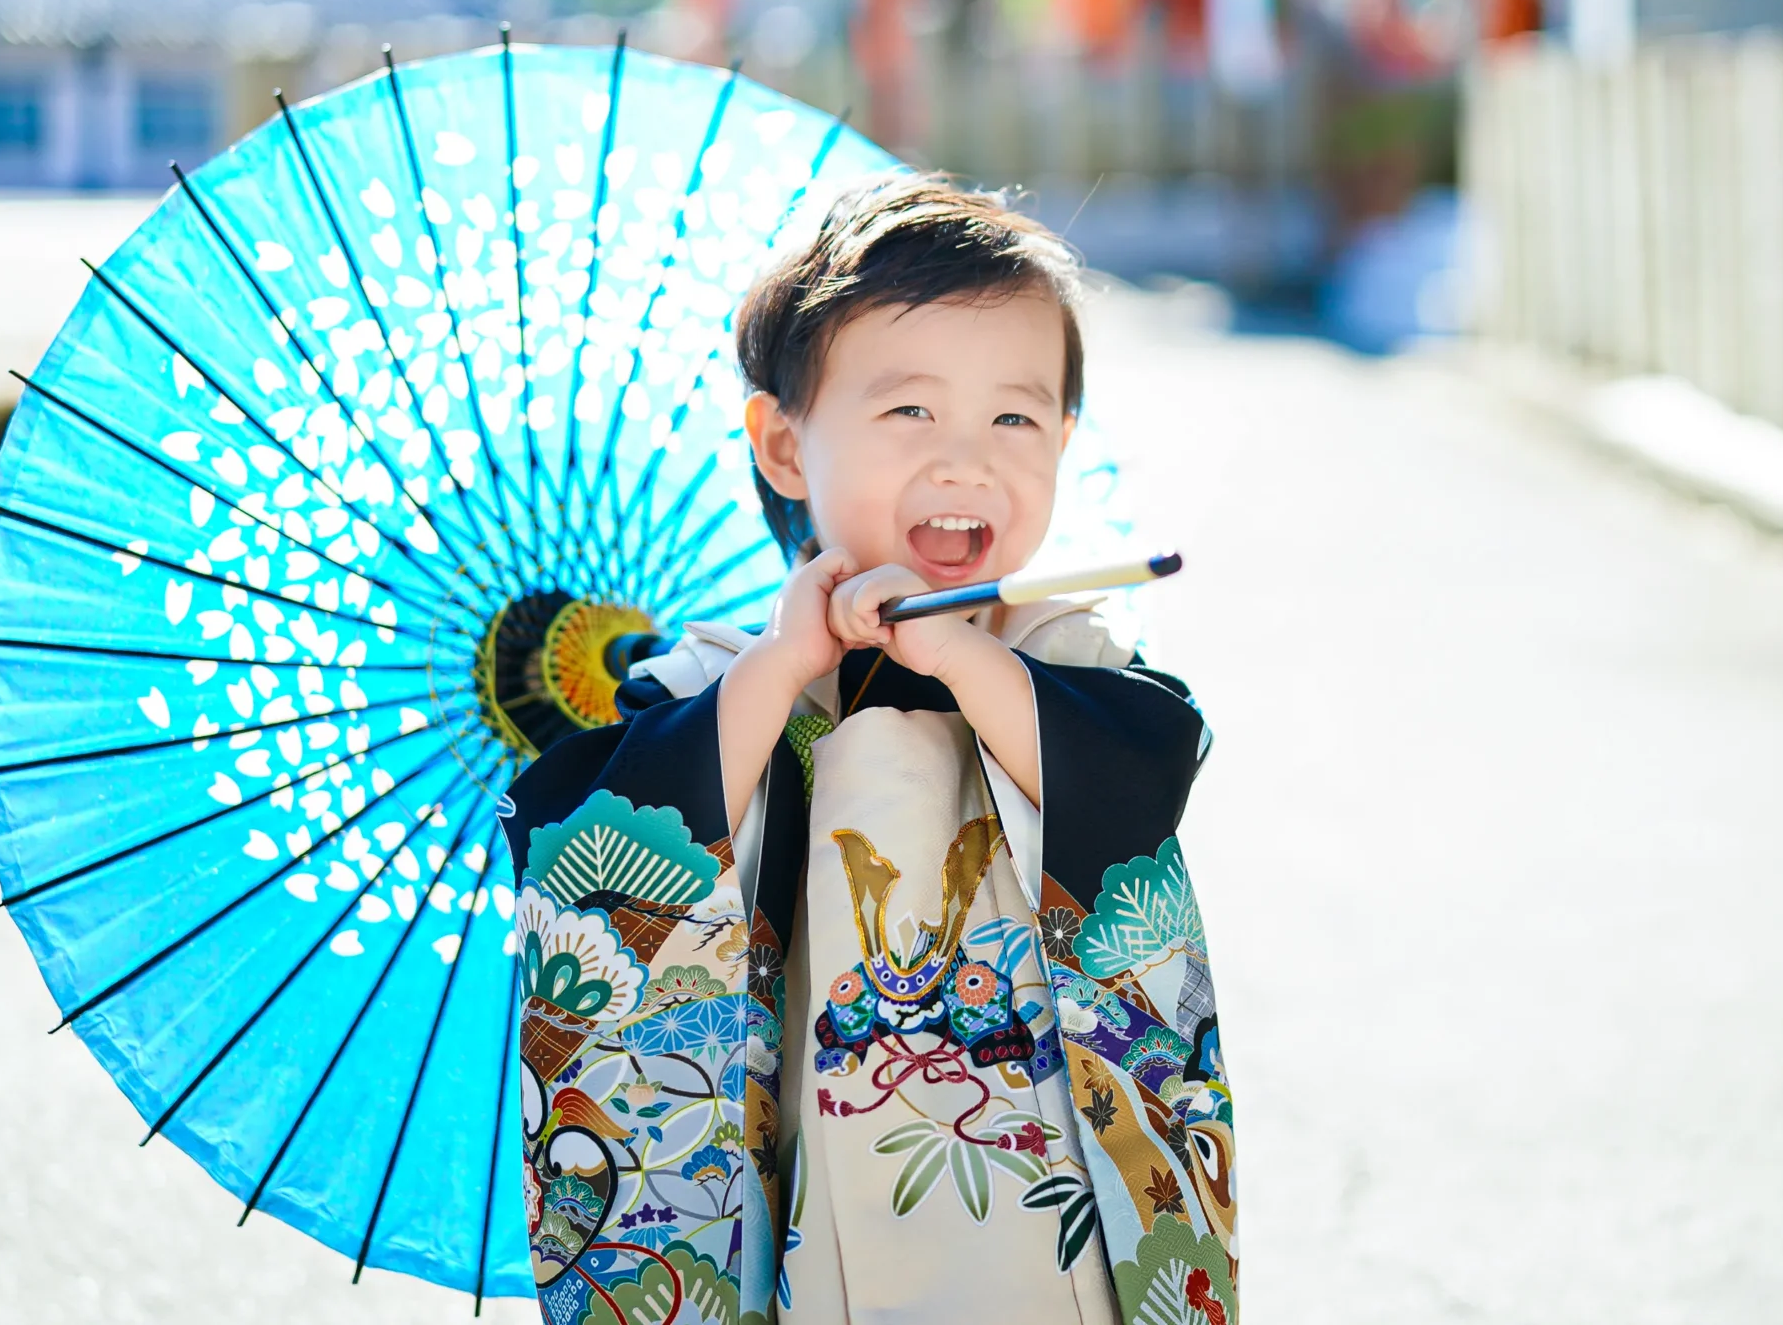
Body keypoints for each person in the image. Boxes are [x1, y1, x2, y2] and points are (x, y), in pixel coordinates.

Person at [501, 178, 1235, 1325]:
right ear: (783, 446)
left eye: (1015, 420)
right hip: (796, 1185)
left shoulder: (1057, 655)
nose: (966, 461)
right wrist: (779, 669)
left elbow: (1137, 781)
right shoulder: (722, 676)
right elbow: (599, 845)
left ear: (1063, 440)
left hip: (1037, 1204)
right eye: (910, 413)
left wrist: (962, 658)